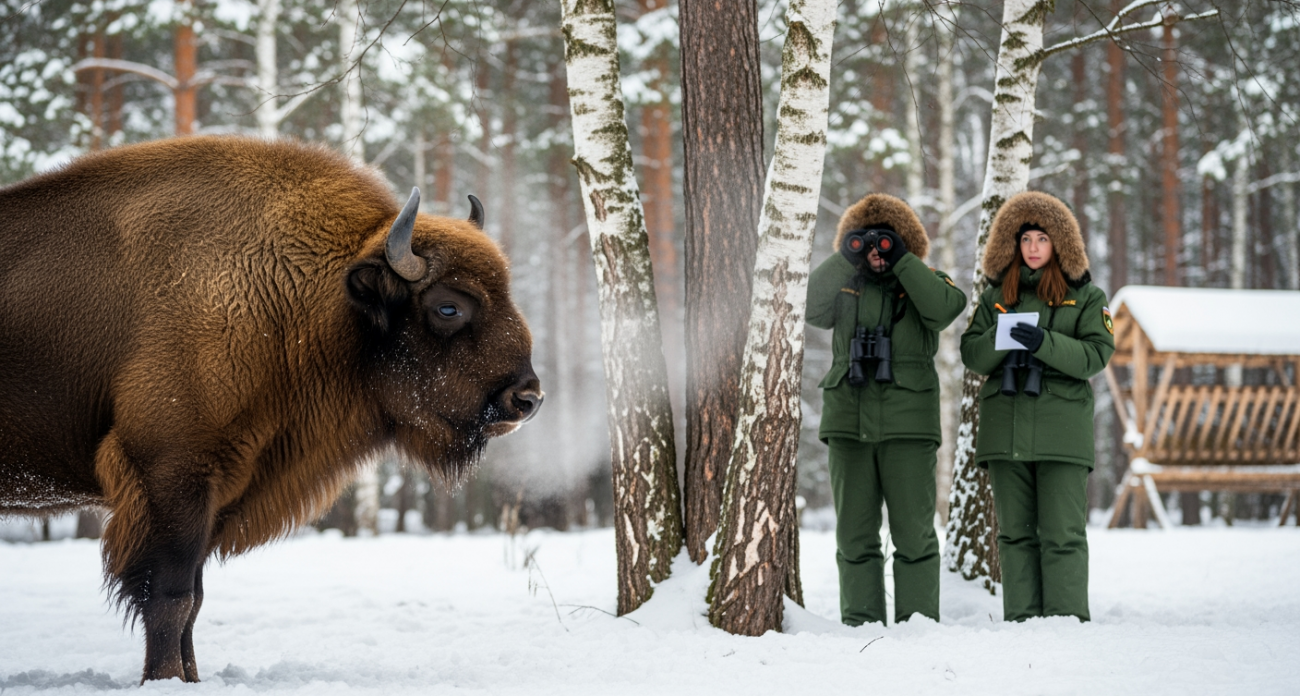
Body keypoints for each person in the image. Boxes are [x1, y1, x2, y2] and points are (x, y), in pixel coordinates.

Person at [807, 193, 967, 626]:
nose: (876, 252)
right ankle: (861, 623)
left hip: (908, 429)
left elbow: (945, 309)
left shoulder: (922, 281)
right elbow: (808, 307)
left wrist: (903, 260)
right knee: (854, 536)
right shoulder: (842, 285)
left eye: (887, 242)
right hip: (848, 425)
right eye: (867, 243)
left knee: (914, 535)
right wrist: (846, 255)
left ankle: (918, 624)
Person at [959, 191, 1115, 622]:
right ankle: (1022, 623)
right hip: (1005, 429)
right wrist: (1004, 336)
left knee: (1063, 533)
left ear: (1059, 244)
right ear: (1012, 243)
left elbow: (1095, 355)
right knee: (1013, 536)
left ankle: (1066, 622)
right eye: (1025, 238)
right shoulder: (995, 296)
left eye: (1042, 239)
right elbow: (971, 354)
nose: (1032, 248)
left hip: (1061, 431)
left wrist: (1042, 342)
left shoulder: (1086, 296)